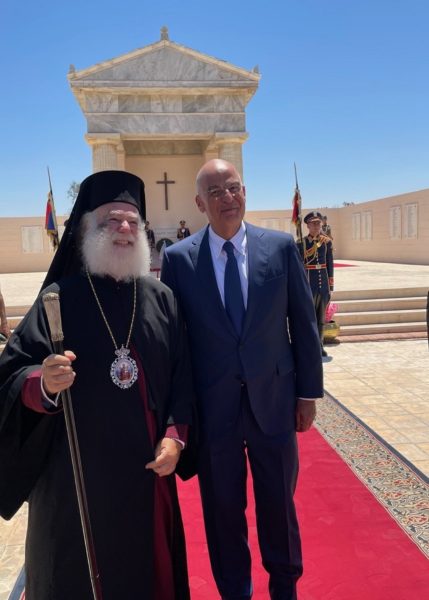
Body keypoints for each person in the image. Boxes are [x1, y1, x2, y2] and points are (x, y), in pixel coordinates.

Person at [0, 170, 194, 600]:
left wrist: (176, 436)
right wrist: (44, 384)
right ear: (87, 229)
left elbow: (183, 377)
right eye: (111, 220)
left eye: (132, 221)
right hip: (78, 482)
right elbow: (13, 374)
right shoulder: (57, 298)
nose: (124, 228)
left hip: (147, 473)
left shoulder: (161, 299)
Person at [161, 159, 323, 600]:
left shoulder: (280, 248)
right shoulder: (178, 260)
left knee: (279, 506)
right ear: (199, 203)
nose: (226, 198)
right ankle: (236, 591)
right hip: (215, 412)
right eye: (214, 192)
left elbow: (303, 323)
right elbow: (177, 343)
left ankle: (285, 588)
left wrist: (308, 393)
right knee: (223, 512)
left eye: (232, 188)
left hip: (274, 403)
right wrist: (178, 416)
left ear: (245, 192)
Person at [297, 211, 334, 357]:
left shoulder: (327, 242)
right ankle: (309, 346)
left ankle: (320, 345)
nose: (316, 226)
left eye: (318, 223)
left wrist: (330, 286)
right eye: (313, 224)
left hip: (323, 285)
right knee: (309, 318)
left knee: (321, 319)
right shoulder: (301, 243)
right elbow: (299, 266)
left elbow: (329, 264)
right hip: (309, 283)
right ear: (307, 226)